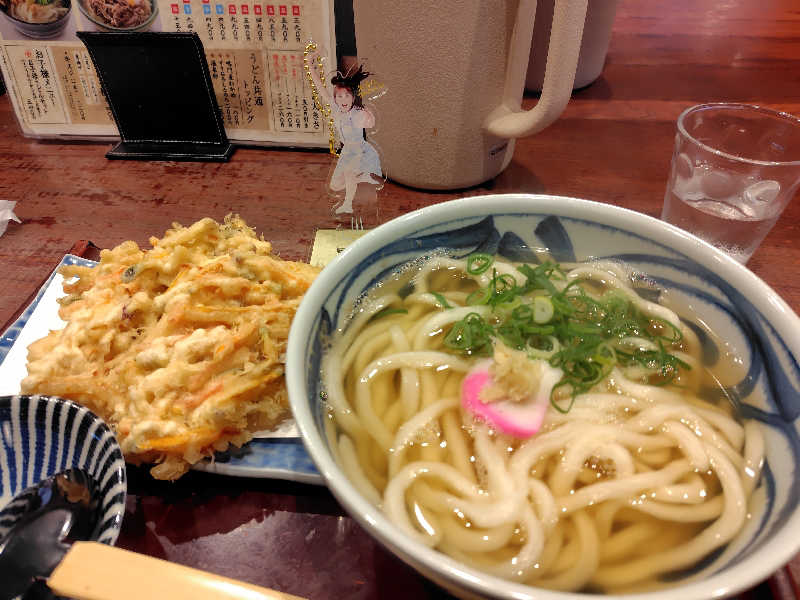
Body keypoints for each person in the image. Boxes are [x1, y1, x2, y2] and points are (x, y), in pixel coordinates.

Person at [307, 55, 383, 214]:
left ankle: (348, 204)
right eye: (339, 96)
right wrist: (309, 64)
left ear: (353, 97)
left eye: (347, 95)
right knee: (335, 185)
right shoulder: (335, 109)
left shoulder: (357, 113)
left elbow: (371, 124)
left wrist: (368, 114)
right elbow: (319, 87)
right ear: (334, 98)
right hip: (347, 150)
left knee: (349, 174)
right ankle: (361, 176)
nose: (343, 100)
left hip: (359, 150)